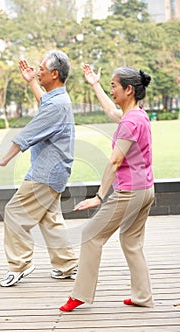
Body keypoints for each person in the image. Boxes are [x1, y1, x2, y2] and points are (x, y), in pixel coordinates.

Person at [59, 63, 155, 312]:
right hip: (146, 189)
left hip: (130, 192)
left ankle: (80, 295)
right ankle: (142, 296)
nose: (112, 90)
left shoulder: (130, 122)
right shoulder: (138, 115)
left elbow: (114, 161)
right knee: (130, 241)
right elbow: (111, 110)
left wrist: (99, 197)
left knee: (90, 235)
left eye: (114, 86)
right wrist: (95, 85)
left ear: (129, 89)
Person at [0, 50, 78, 287]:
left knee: (14, 212)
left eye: (41, 69)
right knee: (50, 218)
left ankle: (20, 265)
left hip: (45, 173)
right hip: (54, 171)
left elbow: (28, 133)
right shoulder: (58, 99)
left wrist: (5, 159)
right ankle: (67, 265)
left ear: (54, 74)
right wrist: (32, 82)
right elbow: (46, 103)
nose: (38, 71)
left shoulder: (57, 105)